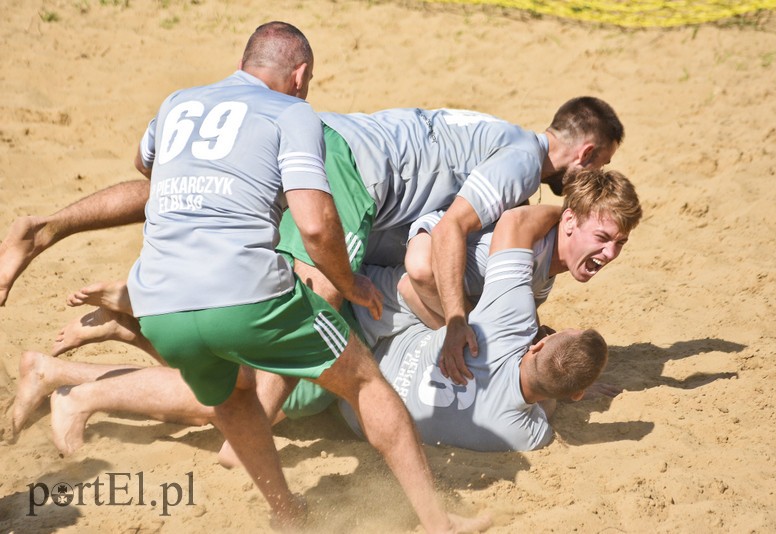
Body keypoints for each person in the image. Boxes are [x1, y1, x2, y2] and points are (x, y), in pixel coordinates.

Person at [57, 21, 486, 533]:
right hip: (244, 293)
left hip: (158, 303)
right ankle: (439, 523)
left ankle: (286, 511)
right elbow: (315, 224)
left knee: (234, 395)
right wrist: (350, 283)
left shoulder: (177, 102)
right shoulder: (291, 111)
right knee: (366, 381)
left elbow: (146, 166)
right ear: (300, 75)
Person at [0, 98, 624, 389]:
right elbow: (456, 226)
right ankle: (247, 421)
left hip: (339, 145)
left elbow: (147, 172)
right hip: (355, 168)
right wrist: (459, 318)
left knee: (189, 186)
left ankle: (48, 228)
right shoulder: (521, 159)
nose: (585, 185)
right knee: (314, 297)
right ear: (587, 152)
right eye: (594, 170)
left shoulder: (502, 135)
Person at [13, 168, 641, 454]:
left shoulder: (530, 287)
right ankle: (72, 386)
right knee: (236, 405)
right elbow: (498, 230)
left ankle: (125, 327)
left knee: (235, 384)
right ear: (574, 219)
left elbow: (517, 340)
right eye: (601, 237)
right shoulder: (525, 258)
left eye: (619, 245)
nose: (609, 254)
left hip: (369, 321)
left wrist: (568, 368)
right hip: (361, 316)